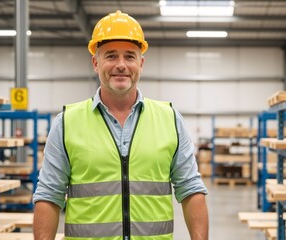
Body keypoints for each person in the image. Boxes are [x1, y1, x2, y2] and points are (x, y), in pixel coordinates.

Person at [33, 10, 209, 240]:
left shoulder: (169, 119)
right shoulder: (67, 122)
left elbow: (191, 191)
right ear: (96, 63)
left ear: (141, 63)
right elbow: (49, 196)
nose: (121, 65)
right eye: (111, 56)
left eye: (129, 56)